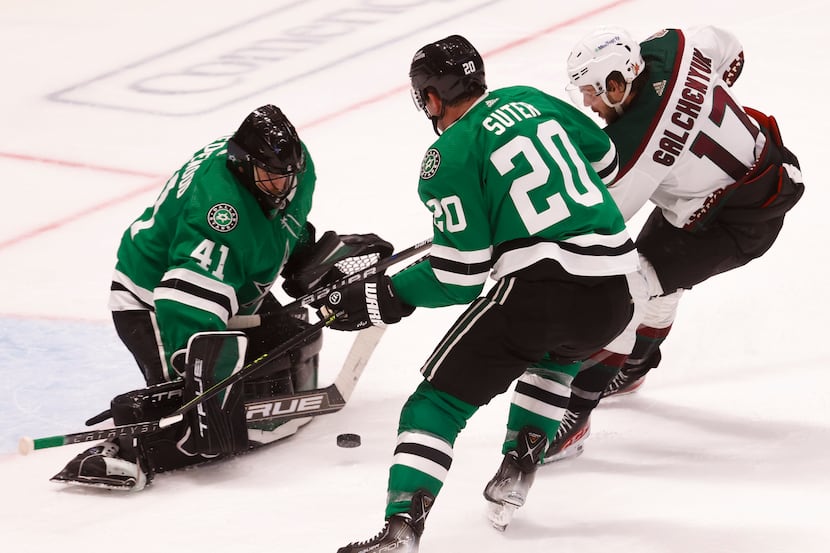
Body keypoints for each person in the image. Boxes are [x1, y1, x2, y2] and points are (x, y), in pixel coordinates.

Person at [315, 35, 640, 551]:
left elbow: (459, 274)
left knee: (433, 406)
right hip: (619, 289)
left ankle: (401, 531)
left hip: (542, 288)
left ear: (433, 97)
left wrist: (381, 294)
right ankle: (517, 468)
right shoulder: (531, 98)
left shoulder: (447, 155)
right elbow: (605, 162)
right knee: (557, 356)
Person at [51, 105, 391, 491]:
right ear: (243, 166)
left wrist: (311, 266)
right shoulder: (217, 212)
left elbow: (280, 225)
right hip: (154, 303)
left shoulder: (292, 168)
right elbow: (184, 302)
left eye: (287, 176)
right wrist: (200, 378)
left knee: (289, 344)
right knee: (199, 414)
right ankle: (119, 450)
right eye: (270, 177)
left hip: (233, 287)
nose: (283, 186)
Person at [542, 26, 804, 463]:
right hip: (751, 175)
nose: (587, 104)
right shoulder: (673, 45)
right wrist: (701, 102)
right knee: (659, 275)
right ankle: (635, 365)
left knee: (625, 286)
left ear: (616, 81)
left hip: (736, 223)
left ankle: (576, 417)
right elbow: (728, 47)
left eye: (591, 92)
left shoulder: (637, 149)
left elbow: (600, 223)